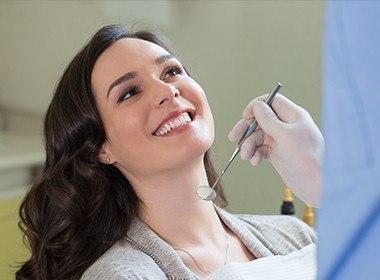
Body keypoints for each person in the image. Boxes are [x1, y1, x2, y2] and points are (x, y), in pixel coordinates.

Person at [16, 24, 323, 280]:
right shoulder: (123, 275)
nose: (168, 91)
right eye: (130, 92)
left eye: (171, 71)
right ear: (101, 148)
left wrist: (323, 183)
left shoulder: (296, 236)